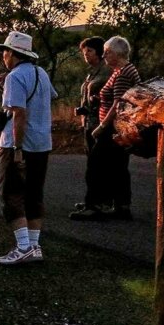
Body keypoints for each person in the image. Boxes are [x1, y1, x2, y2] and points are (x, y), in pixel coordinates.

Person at [0, 31, 56, 265]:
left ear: (13, 53)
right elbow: (46, 98)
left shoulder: (15, 77)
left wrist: (17, 148)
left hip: (17, 144)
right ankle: (34, 245)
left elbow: (19, 113)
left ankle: (22, 246)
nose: (3, 56)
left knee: (9, 194)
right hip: (42, 143)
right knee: (33, 193)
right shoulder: (41, 73)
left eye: (5, 52)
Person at [71, 36, 141, 222]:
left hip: (112, 127)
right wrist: (100, 100)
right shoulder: (121, 70)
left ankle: (94, 205)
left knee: (95, 166)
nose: (104, 55)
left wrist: (101, 126)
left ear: (117, 53)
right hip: (116, 126)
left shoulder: (123, 73)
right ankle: (120, 206)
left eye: (107, 52)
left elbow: (118, 103)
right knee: (117, 167)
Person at [72, 37, 108, 211]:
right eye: (84, 52)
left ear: (100, 52)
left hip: (100, 123)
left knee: (97, 165)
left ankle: (97, 202)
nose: (86, 55)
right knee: (92, 164)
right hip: (88, 123)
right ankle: (94, 200)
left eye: (90, 51)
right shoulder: (91, 72)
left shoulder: (107, 71)